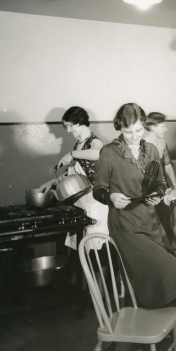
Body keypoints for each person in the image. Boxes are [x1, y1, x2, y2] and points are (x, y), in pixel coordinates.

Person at [92, 103, 176, 314]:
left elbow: (159, 183)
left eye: (138, 130)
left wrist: (158, 195)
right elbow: (98, 189)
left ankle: (152, 326)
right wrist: (110, 197)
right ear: (119, 128)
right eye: (127, 132)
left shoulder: (152, 150)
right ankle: (148, 325)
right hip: (125, 224)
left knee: (148, 280)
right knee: (173, 271)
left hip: (150, 220)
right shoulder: (109, 152)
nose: (133, 136)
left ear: (144, 127)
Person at [39, 105, 109, 255]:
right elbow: (74, 174)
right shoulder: (78, 144)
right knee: (80, 249)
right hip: (79, 202)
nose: (69, 130)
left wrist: (72, 154)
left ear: (79, 122)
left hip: (93, 203)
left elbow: (98, 153)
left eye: (70, 126)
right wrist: (51, 182)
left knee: (95, 252)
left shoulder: (94, 141)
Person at [144, 112, 176, 260]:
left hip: (163, 185)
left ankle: (174, 243)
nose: (165, 129)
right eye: (163, 125)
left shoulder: (162, 142)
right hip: (150, 190)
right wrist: (165, 192)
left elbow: (168, 166)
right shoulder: (142, 145)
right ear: (152, 126)